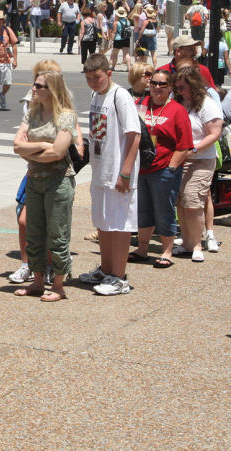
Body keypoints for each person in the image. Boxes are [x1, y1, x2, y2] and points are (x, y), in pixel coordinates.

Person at [12, 71, 77, 301]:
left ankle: (58, 285)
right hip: (35, 179)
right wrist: (42, 146)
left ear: (52, 90)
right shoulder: (32, 113)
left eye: (39, 86)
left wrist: (31, 151)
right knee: (34, 232)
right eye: (34, 85)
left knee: (57, 234)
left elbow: (59, 152)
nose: (34, 89)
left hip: (58, 181)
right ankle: (37, 281)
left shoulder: (66, 117)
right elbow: (17, 145)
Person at [80, 54, 141, 296]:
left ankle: (119, 276)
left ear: (108, 74)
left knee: (119, 225)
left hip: (118, 172)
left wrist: (125, 172)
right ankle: (106, 270)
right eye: (89, 79)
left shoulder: (121, 96)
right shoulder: (97, 95)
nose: (93, 83)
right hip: (100, 171)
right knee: (103, 222)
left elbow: (134, 135)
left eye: (97, 78)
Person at [129, 69, 192, 268]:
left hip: (164, 169)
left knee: (164, 210)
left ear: (170, 87)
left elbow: (185, 145)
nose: (157, 87)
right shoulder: (140, 105)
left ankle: (166, 251)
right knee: (143, 210)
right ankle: (142, 249)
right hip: (141, 169)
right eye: (154, 83)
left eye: (162, 84)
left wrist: (172, 167)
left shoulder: (177, 110)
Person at [171, 66, 222, 263]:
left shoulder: (206, 104)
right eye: (178, 88)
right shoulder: (180, 102)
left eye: (183, 87)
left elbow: (214, 133)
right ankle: (187, 242)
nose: (180, 91)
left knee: (193, 201)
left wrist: (194, 149)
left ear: (193, 86)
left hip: (200, 159)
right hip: (180, 159)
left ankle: (197, 244)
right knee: (182, 202)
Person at [108, 7, 132, 71]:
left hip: (118, 39)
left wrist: (111, 41)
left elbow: (114, 32)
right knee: (126, 54)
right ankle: (129, 67)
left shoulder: (116, 22)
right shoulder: (127, 21)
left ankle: (113, 67)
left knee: (115, 53)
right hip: (126, 38)